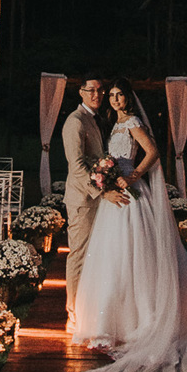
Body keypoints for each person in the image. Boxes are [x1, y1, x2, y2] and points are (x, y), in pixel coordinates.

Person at [41, 77, 187, 372]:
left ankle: (137, 319)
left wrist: (131, 177)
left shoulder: (131, 122)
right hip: (109, 197)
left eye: (118, 95)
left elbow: (152, 153)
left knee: (135, 257)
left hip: (129, 194)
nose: (113, 99)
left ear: (128, 99)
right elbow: (83, 164)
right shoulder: (101, 122)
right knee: (110, 259)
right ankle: (105, 319)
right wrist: (106, 180)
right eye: (111, 95)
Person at [60, 76, 108, 326]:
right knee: (78, 254)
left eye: (100, 90)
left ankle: (89, 306)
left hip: (97, 200)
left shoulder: (95, 120)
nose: (96, 95)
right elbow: (77, 166)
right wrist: (102, 192)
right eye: (91, 90)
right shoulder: (75, 121)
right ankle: (73, 313)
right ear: (80, 92)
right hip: (83, 199)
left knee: (94, 253)